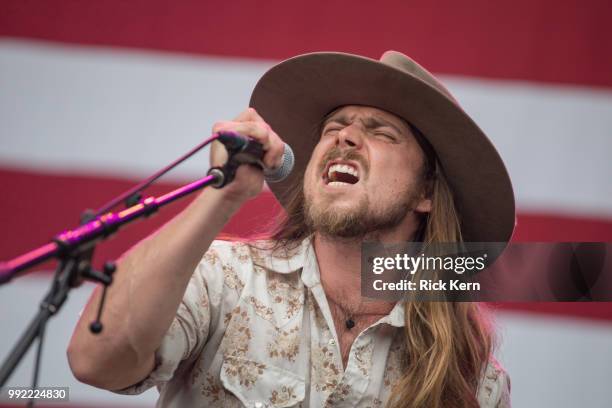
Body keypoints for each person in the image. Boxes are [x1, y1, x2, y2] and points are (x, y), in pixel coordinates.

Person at [67, 51, 515, 408]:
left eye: (381, 132)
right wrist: (221, 197)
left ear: (427, 194)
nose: (345, 137)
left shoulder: (472, 377)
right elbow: (95, 362)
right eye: (334, 127)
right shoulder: (225, 280)